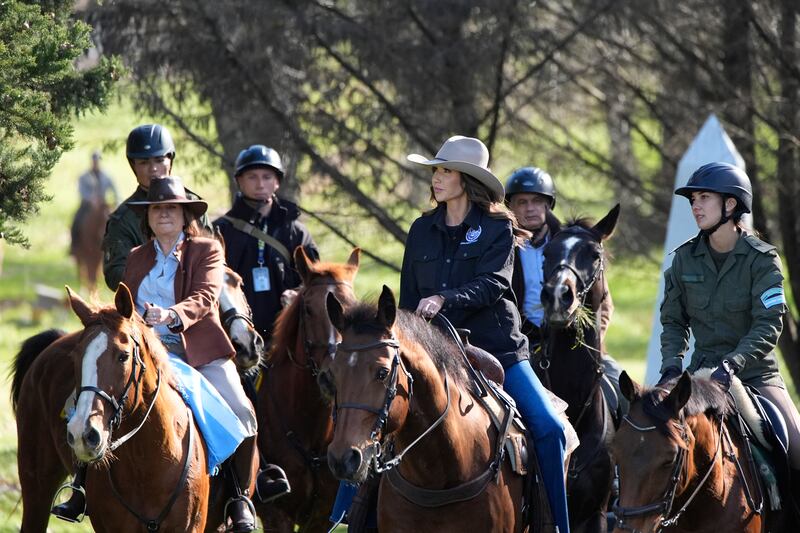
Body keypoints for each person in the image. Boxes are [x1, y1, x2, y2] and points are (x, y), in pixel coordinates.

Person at [53, 177, 258, 532]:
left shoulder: (207, 250)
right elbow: (125, 308)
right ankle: (81, 486)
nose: (164, 214)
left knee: (242, 411)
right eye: (157, 209)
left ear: (184, 215)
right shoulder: (136, 257)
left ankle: (240, 497)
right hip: (144, 352)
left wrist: (171, 315)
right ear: (148, 218)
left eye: (171, 209)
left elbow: (206, 297)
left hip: (197, 352)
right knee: (81, 405)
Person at [400, 136, 570, 533]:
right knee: (377, 415)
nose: (436, 178)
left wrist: (445, 298)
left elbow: (494, 282)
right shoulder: (421, 229)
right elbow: (409, 296)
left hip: (498, 349)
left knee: (548, 427)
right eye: (436, 171)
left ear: (467, 179)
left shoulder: (497, 227)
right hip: (433, 351)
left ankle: (556, 525)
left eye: (445, 170)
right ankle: (350, 516)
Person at [658, 162, 800, 475]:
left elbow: (769, 325)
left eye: (703, 197)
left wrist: (733, 364)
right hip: (701, 376)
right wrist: (671, 366)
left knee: (796, 451)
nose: (695, 206)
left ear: (730, 204)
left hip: (756, 377)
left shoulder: (763, 260)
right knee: (646, 433)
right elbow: (673, 322)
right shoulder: (683, 259)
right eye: (693, 199)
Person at [505, 167, 625, 414]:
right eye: (522, 202)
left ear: (548, 205)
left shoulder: (574, 244)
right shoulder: (503, 248)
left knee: (623, 391)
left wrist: (594, 341)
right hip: (524, 344)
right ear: (511, 208)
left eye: (537, 201)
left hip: (575, 345)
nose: (530, 208)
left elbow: (604, 304)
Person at [213, 144, 319, 344]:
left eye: (267, 177)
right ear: (239, 181)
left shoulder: (296, 231)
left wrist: (297, 294)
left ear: (277, 182)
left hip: (289, 337)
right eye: (252, 177)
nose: (260, 184)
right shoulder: (221, 231)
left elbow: (315, 282)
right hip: (236, 336)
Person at [102, 124, 210, 290]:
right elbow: (115, 275)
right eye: (144, 162)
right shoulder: (122, 219)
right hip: (147, 304)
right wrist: (157, 281)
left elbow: (215, 257)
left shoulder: (193, 205)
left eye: (159, 160)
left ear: (170, 160)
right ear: (134, 166)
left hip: (197, 295)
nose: (153, 169)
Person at [70, 150, 118, 256]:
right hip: (87, 205)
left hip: (103, 205)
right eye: (94, 160)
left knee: (115, 222)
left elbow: (115, 191)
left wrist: (114, 201)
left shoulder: (106, 176)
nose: (96, 162)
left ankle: (116, 248)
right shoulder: (84, 176)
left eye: (98, 160)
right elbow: (82, 192)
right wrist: (91, 199)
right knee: (77, 220)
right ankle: (74, 246)